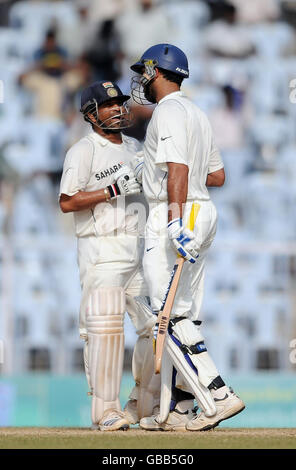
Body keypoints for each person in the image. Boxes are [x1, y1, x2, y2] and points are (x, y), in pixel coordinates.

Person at [129, 43, 245, 431]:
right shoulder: (196, 112)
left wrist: (175, 219)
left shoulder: (169, 111)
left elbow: (178, 166)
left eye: (145, 72)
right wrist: (186, 196)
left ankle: (218, 394)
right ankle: (179, 410)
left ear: (159, 72)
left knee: (165, 314)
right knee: (185, 313)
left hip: (177, 211)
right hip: (203, 208)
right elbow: (217, 176)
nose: (142, 80)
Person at [59, 80, 157, 431]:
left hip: (138, 250)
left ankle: (144, 403)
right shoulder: (83, 151)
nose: (117, 109)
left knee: (155, 328)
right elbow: (67, 201)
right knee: (106, 329)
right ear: (90, 114)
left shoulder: (134, 145)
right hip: (102, 251)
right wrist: (110, 190)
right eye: (108, 105)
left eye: (119, 103)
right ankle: (105, 411)